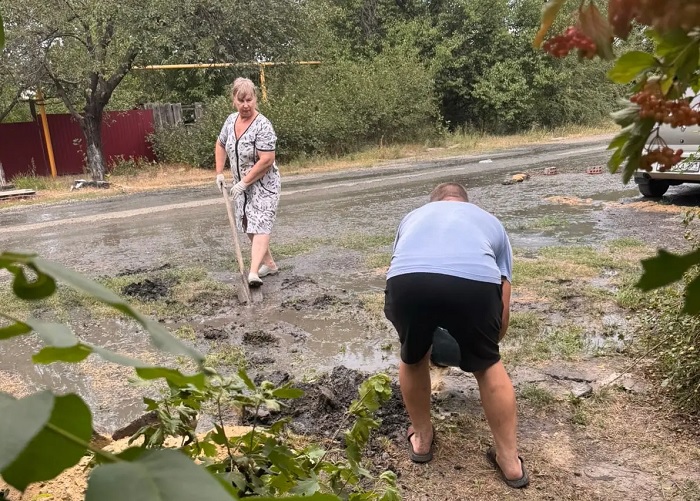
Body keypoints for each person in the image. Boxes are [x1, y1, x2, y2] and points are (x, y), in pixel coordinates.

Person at [383, 182, 529, 488]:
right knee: (488, 366)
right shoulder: (489, 221)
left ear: (433, 202)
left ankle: (422, 440)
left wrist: (416, 338)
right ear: (465, 202)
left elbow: (398, 267)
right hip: (473, 283)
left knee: (412, 358)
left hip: (407, 282)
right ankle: (510, 463)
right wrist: (488, 347)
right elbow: (504, 291)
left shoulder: (412, 217)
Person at [215, 77, 280, 287]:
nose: (245, 105)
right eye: (241, 100)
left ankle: (253, 273)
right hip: (240, 185)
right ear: (233, 100)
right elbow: (221, 144)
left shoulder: (263, 125)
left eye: (249, 100)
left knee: (260, 224)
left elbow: (267, 159)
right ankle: (269, 264)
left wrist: (245, 182)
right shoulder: (230, 121)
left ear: (255, 99)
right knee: (249, 225)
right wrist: (219, 173)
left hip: (264, 184)